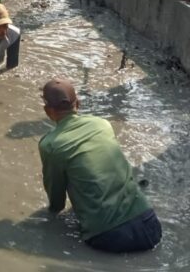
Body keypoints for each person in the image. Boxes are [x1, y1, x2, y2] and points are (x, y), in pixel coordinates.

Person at [38, 79, 162, 253]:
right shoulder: (102, 124)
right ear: (78, 103)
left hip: (108, 237)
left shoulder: (50, 145)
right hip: (150, 224)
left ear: (47, 110)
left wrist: (48, 217)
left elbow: (57, 201)